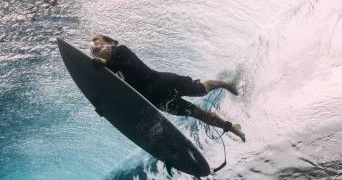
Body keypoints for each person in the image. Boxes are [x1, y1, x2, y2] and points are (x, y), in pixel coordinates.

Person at [89, 34, 246, 142]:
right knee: (199, 114)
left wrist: (106, 64)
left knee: (201, 90)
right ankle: (232, 127)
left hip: (163, 82)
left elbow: (132, 68)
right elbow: (118, 95)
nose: (95, 46)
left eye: (98, 42)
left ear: (109, 43)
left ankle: (226, 84)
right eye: (93, 47)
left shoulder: (121, 50)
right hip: (157, 101)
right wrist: (104, 108)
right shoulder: (108, 74)